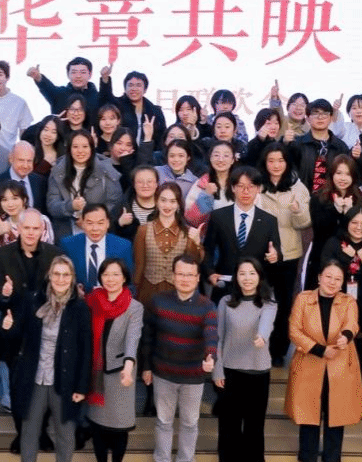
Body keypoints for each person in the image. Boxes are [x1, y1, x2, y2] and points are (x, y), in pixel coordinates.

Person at [1, 256, 92, 462]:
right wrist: (8, 327)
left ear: (72, 279)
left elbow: (86, 350)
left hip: (65, 381)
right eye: (56, 274)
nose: (61, 279)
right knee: (29, 430)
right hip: (34, 378)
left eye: (66, 275)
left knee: (65, 432)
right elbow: (15, 336)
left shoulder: (80, 308)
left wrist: (82, 386)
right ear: (49, 276)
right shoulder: (33, 300)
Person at [285, 261, 362, 462]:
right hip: (310, 362)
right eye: (328, 277)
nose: (332, 282)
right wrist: (320, 350)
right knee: (309, 419)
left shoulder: (348, 301)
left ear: (342, 282)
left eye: (337, 279)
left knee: (335, 419)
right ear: (319, 277)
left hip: (339, 366)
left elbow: (352, 324)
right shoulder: (303, 299)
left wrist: (346, 337)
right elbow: (294, 330)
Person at [141, 253, 217, 462]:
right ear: (173, 276)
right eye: (181, 274)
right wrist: (146, 367)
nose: (185, 279)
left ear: (198, 278)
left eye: (190, 275)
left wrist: (210, 356)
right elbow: (147, 337)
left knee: (190, 423)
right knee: (163, 422)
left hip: (193, 375)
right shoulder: (158, 301)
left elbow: (211, 334)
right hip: (163, 373)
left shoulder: (207, 305)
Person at [213, 258, 276, 462]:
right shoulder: (225, 302)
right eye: (242, 273)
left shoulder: (268, 302)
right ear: (236, 277)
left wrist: (262, 336)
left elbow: (267, 323)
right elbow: (218, 337)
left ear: (259, 276)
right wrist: (217, 369)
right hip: (230, 371)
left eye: (252, 273)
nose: (247, 278)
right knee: (229, 424)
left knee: (254, 424)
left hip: (258, 372)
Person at [84, 258, 142, 462]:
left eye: (116, 274)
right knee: (98, 428)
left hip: (121, 374)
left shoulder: (134, 307)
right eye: (106, 274)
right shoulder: (91, 301)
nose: (111, 279)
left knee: (119, 428)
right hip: (95, 374)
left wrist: (128, 366)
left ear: (125, 278)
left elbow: (132, 340)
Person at [255, 143, 311, 366]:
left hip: (288, 254)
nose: (276, 165)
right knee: (258, 300)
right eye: (271, 161)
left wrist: (297, 211)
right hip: (260, 254)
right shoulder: (257, 185)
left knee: (283, 303)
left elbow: (305, 223)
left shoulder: (298, 188)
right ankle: (258, 345)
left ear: (287, 163)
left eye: (280, 161)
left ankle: (278, 350)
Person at [318, 205, 362, 393]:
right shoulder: (334, 244)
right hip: (333, 305)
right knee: (333, 345)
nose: (359, 227)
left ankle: (358, 392)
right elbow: (326, 272)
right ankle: (330, 391)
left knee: (360, 351)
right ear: (347, 223)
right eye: (354, 222)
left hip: (361, 308)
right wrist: (347, 259)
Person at [202, 166, 282, 305]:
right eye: (241, 186)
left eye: (251, 186)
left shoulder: (269, 221)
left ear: (258, 189)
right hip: (224, 285)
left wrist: (275, 256)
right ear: (233, 188)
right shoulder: (218, 216)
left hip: (256, 288)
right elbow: (207, 250)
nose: (246, 191)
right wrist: (210, 273)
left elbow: (277, 253)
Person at [133, 182, 200, 312]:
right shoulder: (143, 230)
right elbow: (139, 266)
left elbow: (194, 263)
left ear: (178, 204)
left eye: (172, 201)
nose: (167, 206)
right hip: (148, 292)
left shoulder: (188, 232)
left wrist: (196, 243)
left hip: (177, 293)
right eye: (163, 200)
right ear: (156, 201)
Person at [305, 155, 362, 290]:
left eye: (347, 174)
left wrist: (349, 213)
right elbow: (319, 229)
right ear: (332, 174)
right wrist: (336, 210)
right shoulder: (318, 197)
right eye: (339, 173)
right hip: (322, 255)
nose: (343, 178)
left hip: (350, 256)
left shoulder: (360, 199)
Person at [48, 131, 123, 238]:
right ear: (69, 149)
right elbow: (52, 205)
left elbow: (114, 202)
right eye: (75, 147)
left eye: (85, 146)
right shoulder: (57, 171)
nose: (80, 151)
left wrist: (90, 219)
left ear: (91, 148)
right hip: (67, 229)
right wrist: (70, 206)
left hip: (99, 229)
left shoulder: (106, 170)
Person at [61, 203, 135, 295]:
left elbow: (129, 284)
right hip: (78, 300)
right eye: (90, 223)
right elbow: (62, 278)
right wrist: (74, 291)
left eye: (100, 223)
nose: (95, 228)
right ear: (82, 223)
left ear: (108, 223)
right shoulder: (68, 245)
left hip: (112, 300)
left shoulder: (123, 246)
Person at [97, 67, 167, 151]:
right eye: (130, 85)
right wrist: (105, 78)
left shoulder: (155, 111)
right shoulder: (117, 105)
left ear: (145, 89)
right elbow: (105, 98)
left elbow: (161, 138)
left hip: (148, 155)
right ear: (125, 88)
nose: (134, 89)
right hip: (122, 152)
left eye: (138, 85)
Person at [0, 141, 49, 222]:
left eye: (29, 161)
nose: (25, 165)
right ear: (11, 159)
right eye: (21, 160)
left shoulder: (40, 182)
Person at [293, 98, 350, 193]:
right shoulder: (297, 144)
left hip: (332, 198)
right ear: (307, 118)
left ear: (331, 118)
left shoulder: (340, 147)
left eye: (325, 114)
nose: (320, 117)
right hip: (301, 197)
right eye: (315, 113)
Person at [28, 56, 100, 114]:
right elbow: (47, 87)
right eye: (74, 72)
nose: (78, 76)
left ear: (90, 75)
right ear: (68, 75)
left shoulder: (98, 97)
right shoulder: (59, 94)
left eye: (83, 72)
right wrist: (37, 77)